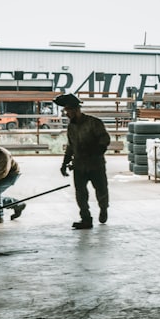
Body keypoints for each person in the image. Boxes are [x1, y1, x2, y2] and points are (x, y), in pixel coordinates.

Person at [54, 93, 111, 229]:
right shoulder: (71, 127)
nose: (66, 114)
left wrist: (94, 153)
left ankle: (103, 208)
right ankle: (86, 218)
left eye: (67, 111)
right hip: (79, 165)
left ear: (75, 110)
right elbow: (71, 146)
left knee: (101, 190)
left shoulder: (94, 123)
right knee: (80, 193)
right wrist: (64, 163)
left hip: (96, 165)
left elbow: (105, 140)